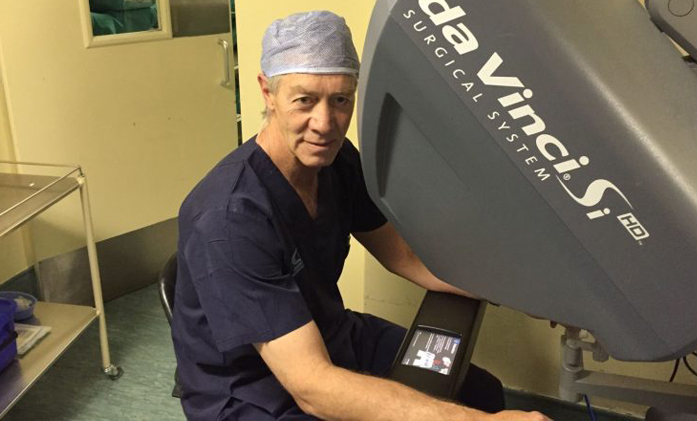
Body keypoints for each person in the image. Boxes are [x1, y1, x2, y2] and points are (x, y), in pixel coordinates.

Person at [171, 10, 550, 421]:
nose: (325, 124)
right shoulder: (229, 219)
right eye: (304, 100)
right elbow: (313, 386)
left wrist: (524, 292)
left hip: (327, 335)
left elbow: (404, 256)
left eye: (340, 100)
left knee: (479, 391)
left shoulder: (336, 161)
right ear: (268, 92)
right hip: (251, 391)